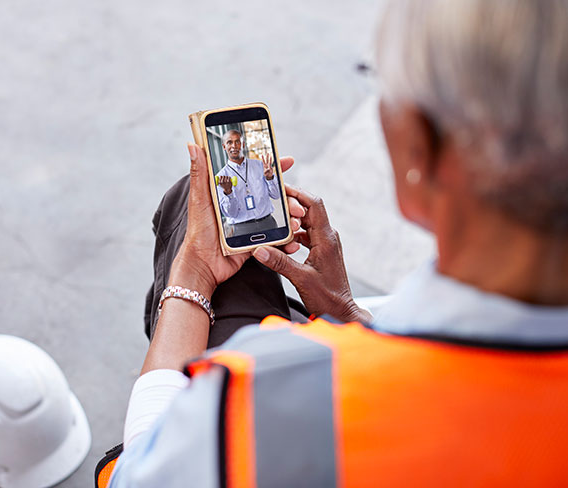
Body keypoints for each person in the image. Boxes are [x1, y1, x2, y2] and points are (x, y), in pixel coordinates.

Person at [106, 0, 568, 485]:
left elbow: (137, 476)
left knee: (189, 203)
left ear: (418, 145)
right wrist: (352, 317)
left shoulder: (274, 390)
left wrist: (190, 279)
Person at [215, 129, 280, 236]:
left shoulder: (260, 166)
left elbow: (276, 195)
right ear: (224, 146)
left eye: (237, 142)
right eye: (229, 142)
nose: (234, 146)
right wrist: (228, 192)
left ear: (243, 144)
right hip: (241, 230)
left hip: (268, 224)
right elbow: (231, 213)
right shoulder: (221, 178)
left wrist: (270, 178)